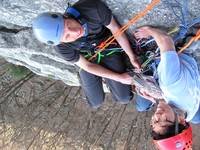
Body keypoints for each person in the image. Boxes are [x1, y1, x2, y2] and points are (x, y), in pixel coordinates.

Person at [32, 0, 153, 110]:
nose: (74, 32)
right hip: (87, 60)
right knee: (96, 102)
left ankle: (110, 82)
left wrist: (131, 56)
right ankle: (103, 78)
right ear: (61, 42)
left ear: (64, 16)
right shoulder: (61, 47)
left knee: (124, 98)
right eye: (67, 36)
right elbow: (87, 66)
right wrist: (118, 77)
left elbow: (116, 29)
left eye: (68, 25)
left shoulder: (92, 9)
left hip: (107, 50)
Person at [134, 26, 200, 149]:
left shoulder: (187, 115)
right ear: (180, 121)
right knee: (141, 105)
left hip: (192, 70)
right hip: (184, 58)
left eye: (154, 122)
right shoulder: (169, 85)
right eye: (164, 120)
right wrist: (148, 31)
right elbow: (165, 39)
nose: (157, 116)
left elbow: (174, 99)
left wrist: (158, 99)